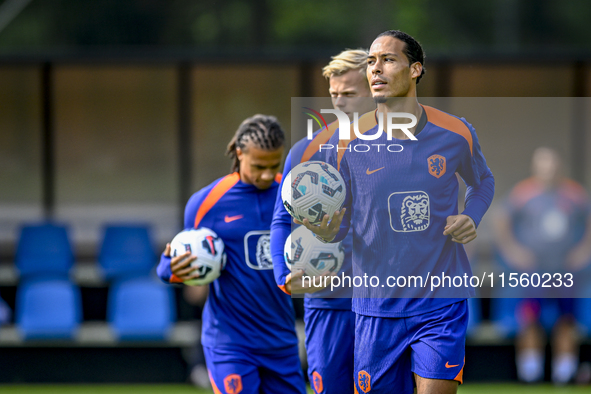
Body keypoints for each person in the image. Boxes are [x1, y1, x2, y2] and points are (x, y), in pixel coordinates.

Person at [298, 30, 495, 394]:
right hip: (375, 306)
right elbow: (338, 230)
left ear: (415, 69)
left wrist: (472, 215)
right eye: (371, 61)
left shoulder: (455, 132)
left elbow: (482, 182)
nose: (376, 69)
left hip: (440, 300)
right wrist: (326, 230)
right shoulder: (343, 143)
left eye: (388, 60)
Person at [157, 114, 306, 394]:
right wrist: (172, 268)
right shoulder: (206, 202)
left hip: (281, 340)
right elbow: (168, 265)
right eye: (258, 166)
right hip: (230, 343)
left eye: (273, 165)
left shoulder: (293, 196)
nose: (266, 174)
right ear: (239, 153)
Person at [270, 49, 374, 394]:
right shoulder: (306, 150)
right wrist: (285, 276)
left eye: (349, 94)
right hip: (328, 300)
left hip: (386, 303)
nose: (340, 102)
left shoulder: (405, 147)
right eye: (334, 94)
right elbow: (280, 221)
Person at [494, 147, 591, 384]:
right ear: (535, 167)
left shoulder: (574, 193)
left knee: (566, 321)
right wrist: (513, 251)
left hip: (564, 272)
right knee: (529, 319)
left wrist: (584, 250)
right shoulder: (522, 193)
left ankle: (565, 373)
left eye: (552, 164)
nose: (548, 169)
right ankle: (530, 373)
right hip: (533, 273)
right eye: (543, 164)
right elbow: (500, 219)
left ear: (559, 166)